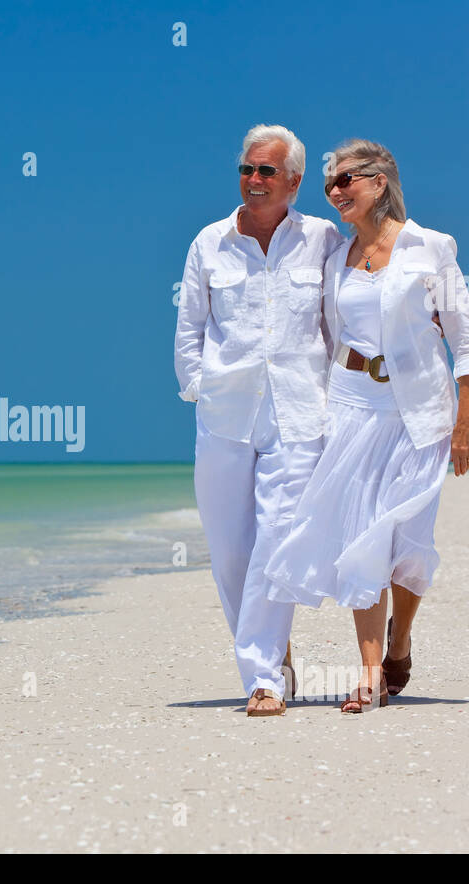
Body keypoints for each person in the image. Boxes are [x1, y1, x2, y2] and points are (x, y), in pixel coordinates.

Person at [265, 139, 469, 712]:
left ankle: (401, 637)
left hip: (421, 411)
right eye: (329, 184)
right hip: (352, 404)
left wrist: (467, 416)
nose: (336, 191)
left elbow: (464, 336)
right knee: (364, 535)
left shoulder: (430, 248)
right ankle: (370, 673)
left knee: (408, 540)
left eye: (346, 180)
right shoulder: (336, 256)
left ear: (379, 182)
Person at [174, 124, 342, 717]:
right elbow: (190, 326)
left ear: (294, 181)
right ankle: (275, 651)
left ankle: (263, 677)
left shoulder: (321, 238)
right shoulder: (208, 243)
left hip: (300, 412)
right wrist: (199, 386)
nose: (253, 180)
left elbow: (337, 323)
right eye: (247, 169)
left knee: (278, 539)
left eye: (267, 171)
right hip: (225, 414)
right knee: (230, 551)